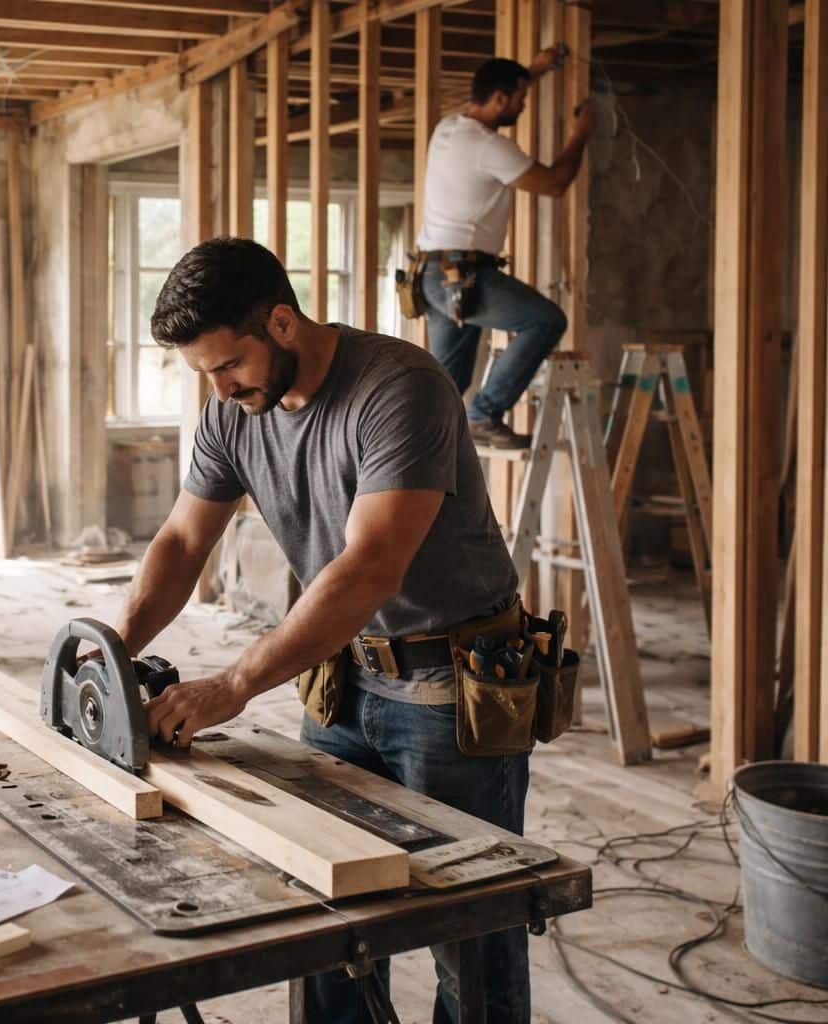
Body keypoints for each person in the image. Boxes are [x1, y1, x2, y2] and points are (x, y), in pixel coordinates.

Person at [119, 238, 529, 1022]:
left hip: (447, 682)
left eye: (227, 366)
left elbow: (371, 566)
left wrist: (235, 684)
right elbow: (179, 543)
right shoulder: (230, 412)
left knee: (470, 929)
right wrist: (108, 654)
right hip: (342, 676)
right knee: (324, 909)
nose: (218, 388)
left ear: (280, 322)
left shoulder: (399, 388)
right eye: (202, 372)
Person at [415, 49, 596, 449]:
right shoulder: (490, 147)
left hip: (430, 275)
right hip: (462, 275)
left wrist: (531, 71)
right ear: (499, 99)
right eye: (519, 99)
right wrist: (581, 134)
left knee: (450, 383)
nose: (523, 104)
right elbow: (554, 183)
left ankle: (424, 445)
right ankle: (484, 414)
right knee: (545, 321)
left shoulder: (447, 128)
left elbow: (502, 89)